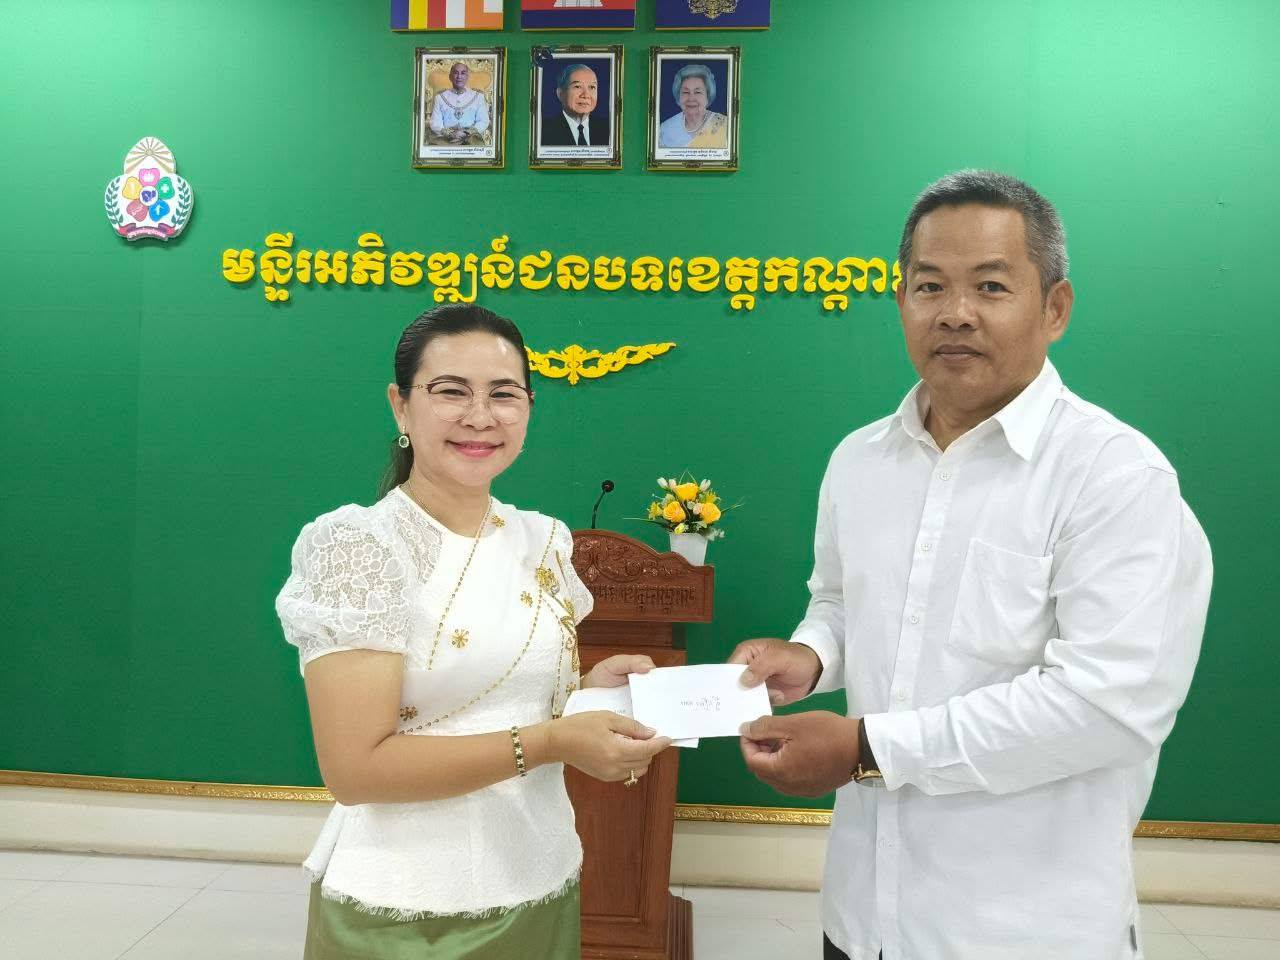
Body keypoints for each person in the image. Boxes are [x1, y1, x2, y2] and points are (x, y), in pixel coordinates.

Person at [730, 170, 1212, 960]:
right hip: (861, 918)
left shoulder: (1115, 476)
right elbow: (841, 601)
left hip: (1023, 930)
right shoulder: (860, 460)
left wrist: (866, 749)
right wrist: (810, 655)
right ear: (901, 301)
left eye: (991, 286)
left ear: (1055, 308)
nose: (955, 312)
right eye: (930, 286)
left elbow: (1107, 706)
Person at [276, 304, 671, 959]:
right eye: (451, 391)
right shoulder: (360, 547)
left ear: (529, 409)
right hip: (408, 906)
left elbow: (508, 698)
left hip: (539, 875)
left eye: (504, 394)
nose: (480, 416)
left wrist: (589, 690)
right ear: (401, 407)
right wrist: (551, 742)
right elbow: (356, 770)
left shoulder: (542, 540)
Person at [658, 64, 728, 149]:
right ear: (678, 96)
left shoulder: (725, 126)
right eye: (686, 92)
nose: (691, 98)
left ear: (708, 96)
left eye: (697, 92)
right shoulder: (666, 129)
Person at [541, 63, 610, 147]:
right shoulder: (543, 132)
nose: (585, 95)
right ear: (560, 93)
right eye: (577, 86)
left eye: (592, 87)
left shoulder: (608, 129)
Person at [427, 62, 490, 146]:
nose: (459, 76)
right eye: (456, 73)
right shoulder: (440, 97)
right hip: (446, 140)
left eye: (463, 73)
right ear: (450, 76)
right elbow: (435, 122)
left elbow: (483, 121)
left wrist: (467, 132)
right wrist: (450, 134)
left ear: (467, 76)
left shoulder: (478, 97)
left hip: (470, 139)